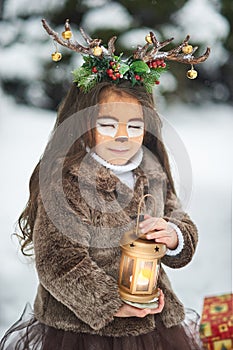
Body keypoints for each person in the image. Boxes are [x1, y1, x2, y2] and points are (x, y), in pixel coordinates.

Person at [0, 20, 209, 350]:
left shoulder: (151, 173)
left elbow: (177, 219)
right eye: (108, 124)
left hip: (149, 315)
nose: (123, 136)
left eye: (134, 125)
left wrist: (175, 235)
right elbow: (59, 262)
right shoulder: (66, 181)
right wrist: (112, 303)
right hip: (86, 328)